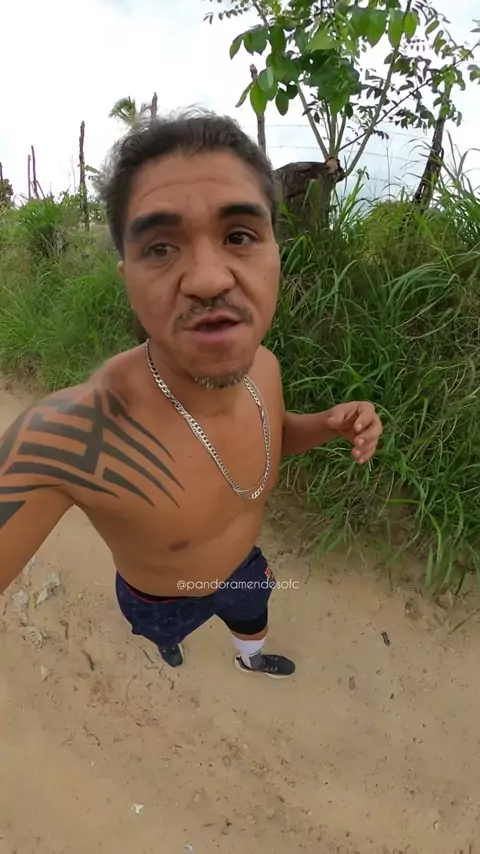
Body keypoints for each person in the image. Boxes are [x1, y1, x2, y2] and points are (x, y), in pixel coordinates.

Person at [0, 110, 382, 679]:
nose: (208, 278)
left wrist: (325, 426)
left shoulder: (266, 369)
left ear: (276, 251)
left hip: (243, 567)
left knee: (253, 617)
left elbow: (270, 438)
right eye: (160, 247)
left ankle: (251, 660)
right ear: (128, 277)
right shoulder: (72, 436)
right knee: (166, 636)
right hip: (160, 599)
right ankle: (167, 645)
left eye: (239, 236)